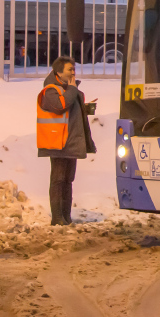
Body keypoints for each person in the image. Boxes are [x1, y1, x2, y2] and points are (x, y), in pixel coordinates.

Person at [37, 56, 97, 225]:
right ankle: (57, 218)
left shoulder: (70, 89)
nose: (73, 72)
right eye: (70, 69)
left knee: (68, 180)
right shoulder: (50, 90)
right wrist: (72, 90)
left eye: (74, 69)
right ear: (58, 72)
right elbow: (59, 105)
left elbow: (69, 107)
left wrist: (83, 107)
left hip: (70, 141)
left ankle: (66, 217)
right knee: (58, 179)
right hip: (57, 141)